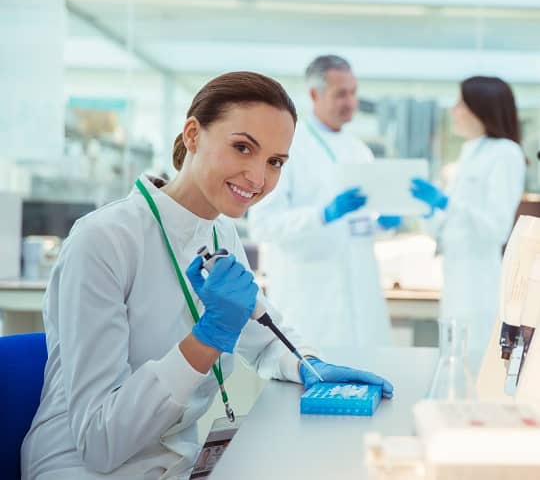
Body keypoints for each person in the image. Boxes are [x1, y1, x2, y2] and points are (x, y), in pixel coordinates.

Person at [22, 72, 393, 480]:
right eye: (242, 148)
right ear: (193, 134)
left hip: (176, 464)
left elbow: (264, 338)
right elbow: (99, 440)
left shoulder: (220, 232)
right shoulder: (104, 239)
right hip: (81, 467)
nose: (258, 178)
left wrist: (311, 366)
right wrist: (206, 339)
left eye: (275, 162)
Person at [248, 55, 398, 355]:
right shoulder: (288, 145)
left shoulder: (360, 151)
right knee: (306, 383)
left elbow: (356, 225)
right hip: (309, 297)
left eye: (353, 92)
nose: (350, 101)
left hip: (360, 295)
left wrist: (380, 225)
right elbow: (262, 224)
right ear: (314, 94)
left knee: (364, 377)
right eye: (340, 94)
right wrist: (323, 215)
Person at [410, 75, 526, 371]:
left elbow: (497, 228)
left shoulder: (505, 153)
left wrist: (445, 204)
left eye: (461, 103)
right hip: (454, 281)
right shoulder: (468, 153)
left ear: (481, 108)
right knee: (453, 364)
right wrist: (427, 211)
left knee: (475, 366)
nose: (453, 110)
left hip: (480, 283)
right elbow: (448, 229)